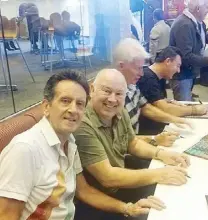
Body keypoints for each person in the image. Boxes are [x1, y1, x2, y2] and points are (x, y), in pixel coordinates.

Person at [0, 70, 165, 220]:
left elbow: (84, 191)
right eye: (65, 101)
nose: (73, 110)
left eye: (80, 104)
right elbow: (7, 216)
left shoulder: (69, 141)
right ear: (46, 107)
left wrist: (128, 208)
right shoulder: (24, 149)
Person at [73, 69, 189, 220]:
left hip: (119, 185)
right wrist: (159, 174)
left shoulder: (118, 111)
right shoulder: (82, 124)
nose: (112, 99)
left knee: (175, 195)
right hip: (100, 200)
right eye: (107, 91)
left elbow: (132, 143)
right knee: (165, 206)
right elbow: (107, 178)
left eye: (119, 94)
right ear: (92, 90)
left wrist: (162, 154)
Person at [113, 38, 192, 145]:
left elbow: (146, 108)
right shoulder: (112, 98)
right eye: (138, 68)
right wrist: (154, 140)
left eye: (142, 68)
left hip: (137, 141)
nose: (141, 74)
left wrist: (175, 120)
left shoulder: (131, 86)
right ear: (121, 66)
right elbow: (119, 141)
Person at [137, 46, 208, 135]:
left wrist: (169, 101)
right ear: (168, 61)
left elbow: (154, 101)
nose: (178, 71)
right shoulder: (148, 79)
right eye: (177, 66)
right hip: (151, 132)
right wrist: (195, 110)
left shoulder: (159, 76)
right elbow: (166, 109)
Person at [169, 0, 208, 101]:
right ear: (198, 9)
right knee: (184, 108)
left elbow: (198, 46)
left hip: (189, 73)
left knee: (187, 105)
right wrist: (207, 61)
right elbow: (185, 56)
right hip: (182, 75)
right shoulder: (185, 25)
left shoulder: (196, 23)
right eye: (207, 7)